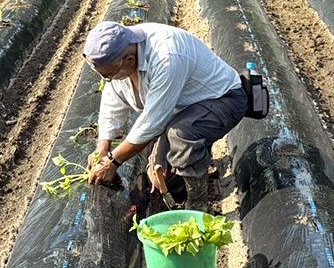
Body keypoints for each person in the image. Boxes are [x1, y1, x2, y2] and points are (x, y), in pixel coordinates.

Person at [84, 20, 248, 209]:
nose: (108, 79)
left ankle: (198, 205)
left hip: (223, 99)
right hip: (182, 110)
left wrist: (112, 162)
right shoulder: (121, 53)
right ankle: (197, 163)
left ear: (129, 60)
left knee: (181, 135)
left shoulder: (166, 57)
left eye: (109, 75)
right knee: (160, 179)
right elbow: (112, 103)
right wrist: (103, 147)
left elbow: (153, 123)